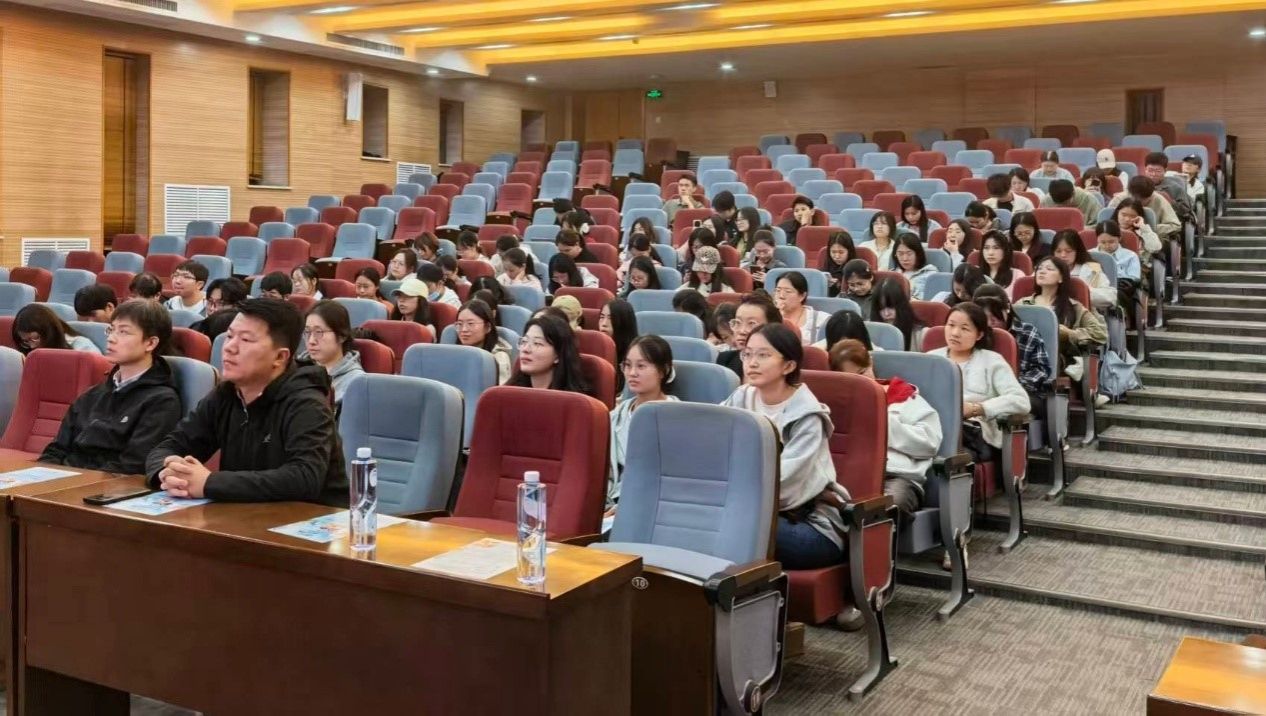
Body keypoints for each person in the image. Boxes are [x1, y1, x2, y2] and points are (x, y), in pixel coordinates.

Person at [147, 298, 348, 505]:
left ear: (280, 357)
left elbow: (304, 477)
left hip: (310, 518)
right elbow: (170, 445)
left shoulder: (307, 403)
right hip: (243, 514)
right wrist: (167, 472)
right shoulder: (226, 394)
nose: (229, 347)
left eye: (245, 340)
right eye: (229, 336)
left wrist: (209, 482)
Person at [721, 323, 843, 570]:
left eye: (763, 355)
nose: (752, 363)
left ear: (788, 366)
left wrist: (726, 494)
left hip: (808, 525)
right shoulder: (741, 397)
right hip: (749, 511)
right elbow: (713, 444)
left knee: (726, 526)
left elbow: (785, 486)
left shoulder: (807, 416)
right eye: (747, 354)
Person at [924, 302, 1029, 565]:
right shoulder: (931, 359)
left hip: (974, 433)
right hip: (933, 429)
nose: (955, 333)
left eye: (964, 328)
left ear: (979, 334)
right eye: (951, 325)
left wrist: (978, 408)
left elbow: (1020, 401)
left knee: (955, 459)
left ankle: (957, 538)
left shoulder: (991, 361)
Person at [39, 299, 182, 474]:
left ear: (150, 343)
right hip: (65, 478)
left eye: (123, 332)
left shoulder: (162, 401)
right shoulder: (93, 394)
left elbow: (132, 465)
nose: (111, 338)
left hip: (104, 484)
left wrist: (72, 481)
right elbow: (56, 449)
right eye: (111, 329)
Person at [830, 339, 941, 524]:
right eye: (853, 379)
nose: (863, 381)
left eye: (863, 372)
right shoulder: (837, 407)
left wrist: (882, 421)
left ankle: (877, 543)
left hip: (897, 477)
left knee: (887, 507)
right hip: (850, 475)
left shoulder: (906, 398)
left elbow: (929, 444)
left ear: (871, 363)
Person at [608, 335, 678, 511]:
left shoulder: (678, 417)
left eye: (641, 366)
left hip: (653, 504)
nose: (632, 373)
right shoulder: (615, 416)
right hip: (610, 501)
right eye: (627, 365)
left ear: (663, 370)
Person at [1016, 257, 1108, 383]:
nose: (1042, 272)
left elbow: (1100, 333)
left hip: (1056, 356)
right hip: (1024, 354)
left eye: (1049, 269)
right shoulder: (1024, 303)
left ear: (1061, 278)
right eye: (1039, 269)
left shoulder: (1073, 307)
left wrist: (1070, 333)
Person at [973, 284, 1052, 416]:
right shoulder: (974, 334)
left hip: (1023, 392)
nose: (989, 323)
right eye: (984, 318)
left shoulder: (1027, 332)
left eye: (994, 317)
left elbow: (1040, 370)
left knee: (1006, 406)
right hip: (983, 391)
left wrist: (1009, 387)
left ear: (1007, 308)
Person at [301, 300, 364, 408]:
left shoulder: (355, 383)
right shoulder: (296, 368)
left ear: (342, 336)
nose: (311, 340)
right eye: (307, 332)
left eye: (318, 332)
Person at [506, 313, 590, 393]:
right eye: (524, 341)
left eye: (537, 343)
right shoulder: (509, 392)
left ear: (558, 355)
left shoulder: (574, 400)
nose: (525, 349)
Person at [717, 292, 781, 379]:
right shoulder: (725, 359)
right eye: (738, 322)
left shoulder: (779, 363)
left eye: (751, 323)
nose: (742, 331)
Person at [1051, 230, 1115, 310]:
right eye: (1058, 251)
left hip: (1086, 313)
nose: (1063, 255)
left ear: (1077, 251)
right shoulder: (1046, 268)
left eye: (1068, 251)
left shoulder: (1092, 269)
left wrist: (1082, 291)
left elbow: (1110, 297)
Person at [1108, 176, 1181, 246]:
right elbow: (1106, 221)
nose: (1138, 202)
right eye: (1135, 197)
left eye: (1143, 200)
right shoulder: (1119, 199)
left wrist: (1147, 228)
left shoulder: (1159, 199)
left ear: (1151, 195)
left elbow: (1175, 225)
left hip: (1151, 241)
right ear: (1129, 192)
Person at [456, 299, 513, 384]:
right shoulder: (454, 353)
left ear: (487, 327)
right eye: (460, 324)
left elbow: (500, 390)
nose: (464, 329)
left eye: (470, 324)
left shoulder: (499, 357)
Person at [1096, 220, 1142, 321]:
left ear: (1119, 238)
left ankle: (1117, 321)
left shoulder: (1130, 256)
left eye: (1111, 242)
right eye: (1103, 242)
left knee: (1117, 295)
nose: (1107, 246)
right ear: (1097, 239)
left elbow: (1134, 279)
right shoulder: (1089, 255)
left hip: (1121, 288)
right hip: (1096, 287)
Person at [12, 304, 100, 354]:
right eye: (26, 341)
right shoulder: (29, 353)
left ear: (49, 330)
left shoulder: (81, 346)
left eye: (35, 338)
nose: (32, 346)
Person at [773, 271, 828, 344]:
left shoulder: (820, 320)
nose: (781, 296)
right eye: (778, 290)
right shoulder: (768, 317)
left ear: (802, 296)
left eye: (788, 291)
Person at [1142, 152, 1194, 227]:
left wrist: (1171, 202)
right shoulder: (1138, 185)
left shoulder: (1174, 187)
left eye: (1158, 171)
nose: (1153, 174)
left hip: (1166, 225)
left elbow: (1186, 212)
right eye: (1150, 170)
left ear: (1165, 170)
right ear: (1145, 169)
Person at [872, 278, 923, 351]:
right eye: (881, 308)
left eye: (891, 307)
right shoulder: (871, 333)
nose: (886, 314)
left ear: (901, 306)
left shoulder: (920, 335)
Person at [600, 298, 638, 392]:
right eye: (602, 317)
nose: (604, 324)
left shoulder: (636, 353)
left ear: (624, 322)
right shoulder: (595, 349)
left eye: (611, 318)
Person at [193, 277, 247, 341]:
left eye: (221, 303)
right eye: (210, 301)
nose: (212, 308)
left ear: (237, 306)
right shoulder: (198, 328)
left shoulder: (244, 337)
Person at [1113, 198, 1163, 267]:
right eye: (1123, 215)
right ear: (1117, 213)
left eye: (1132, 216)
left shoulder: (1141, 232)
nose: (1127, 219)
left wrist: (1143, 227)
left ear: (1139, 217)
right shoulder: (1108, 228)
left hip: (1136, 267)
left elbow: (1156, 248)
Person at [893, 232, 937, 300]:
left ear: (918, 254)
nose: (905, 258)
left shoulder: (930, 275)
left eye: (909, 254)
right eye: (900, 254)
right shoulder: (892, 274)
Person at [820, 231, 857, 297]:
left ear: (849, 251)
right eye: (833, 252)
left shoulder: (856, 266)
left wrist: (839, 285)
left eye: (841, 252)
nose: (837, 256)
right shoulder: (827, 263)